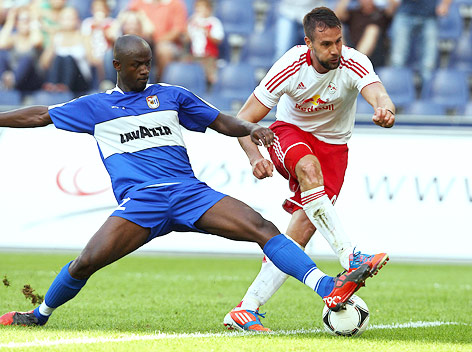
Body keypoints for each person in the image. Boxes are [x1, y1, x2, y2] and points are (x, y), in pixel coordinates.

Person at [0, 34, 375, 327]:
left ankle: (329, 287)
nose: (145, 71)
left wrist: (251, 129)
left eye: (149, 63)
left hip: (189, 193)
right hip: (142, 202)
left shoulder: (171, 96)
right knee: (85, 262)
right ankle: (39, 315)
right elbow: (40, 115)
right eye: (137, 65)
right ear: (118, 65)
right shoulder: (95, 107)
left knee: (262, 227)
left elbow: (221, 121)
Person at [223, 7, 395, 332]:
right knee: (308, 166)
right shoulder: (289, 66)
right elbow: (243, 119)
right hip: (290, 133)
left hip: (335, 148)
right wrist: (253, 156)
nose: (335, 51)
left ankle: (245, 309)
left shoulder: (354, 62)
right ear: (308, 43)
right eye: (327, 44)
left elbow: (378, 92)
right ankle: (350, 257)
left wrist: (384, 108)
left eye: (339, 42)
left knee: (297, 236)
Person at [389, 0, 452, 86]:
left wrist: (445, 4)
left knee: (429, 62)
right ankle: (396, 88)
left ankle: (428, 92)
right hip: (404, 13)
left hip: (430, 15)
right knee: (398, 58)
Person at [127, 0, 188, 80]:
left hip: (168, 44)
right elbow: (127, 21)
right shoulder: (137, 3)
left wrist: (156, 42)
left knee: (164, 49)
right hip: (144, 42)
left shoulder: (176, 4)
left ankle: (161, 85)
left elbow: (177, 30)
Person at [335, 0, 398, 67]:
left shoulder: (381, 12)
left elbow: (393, 7)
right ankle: (343, 59)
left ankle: (356, 62)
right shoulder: (354, 13)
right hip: (353, 47)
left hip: (375, 53)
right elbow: (336, 16)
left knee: (372, 29)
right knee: (337, 28)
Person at [0, 5, 44, 92]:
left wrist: (34, 21)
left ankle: (10, 84)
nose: (25, 23)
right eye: (22, 20)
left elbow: (37, 41)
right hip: (12, 77)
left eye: (28, 20)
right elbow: (1, 43)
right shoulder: (13, 38)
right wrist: (10, 21)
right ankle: (4, 84)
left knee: (26, 59)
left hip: (31, 80)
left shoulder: (34, 37)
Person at [186, 0, 224, 87]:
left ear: (209, 9)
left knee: (209, 71)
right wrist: (189, 24)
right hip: (194, 56)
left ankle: (210, 86)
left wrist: (207, 32)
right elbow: (187, 39)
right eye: (197, 8)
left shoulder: (214, 22)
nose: (198, 10)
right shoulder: (193, 22)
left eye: (201, 8)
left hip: (209, 56)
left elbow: (218, 40)